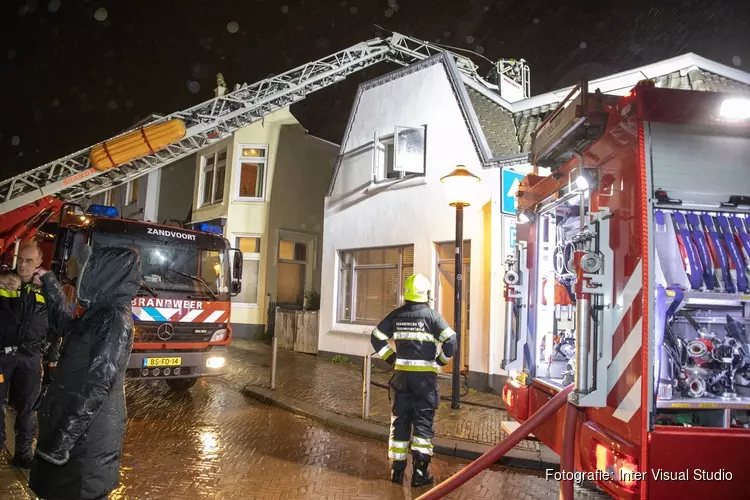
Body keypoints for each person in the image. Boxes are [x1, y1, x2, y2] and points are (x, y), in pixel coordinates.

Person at [29, 245, 141, 500]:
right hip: (75, 431)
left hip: (87, 439)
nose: (83, 276)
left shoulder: (114, 318)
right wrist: (48, 282)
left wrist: (62, 439)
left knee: (79, 492)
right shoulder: (98, 313)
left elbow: (98, 384)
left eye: (90, 269)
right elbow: (65, 327)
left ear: (104, 274)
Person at [370, 273, 457, 487]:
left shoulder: (397, 315)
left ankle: (396, 472)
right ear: (426, 294)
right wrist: (439, 361)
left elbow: (376, 336)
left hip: (401, 381)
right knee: (422, 425)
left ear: (406, 293)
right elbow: (451, 341)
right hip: (424, 383)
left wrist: (392, 358)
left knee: (400, 423)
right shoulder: (432, 317)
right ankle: (420, 473)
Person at [0, 242, 59, 468]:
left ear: (38, 264)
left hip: (31, 356)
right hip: (2, 355)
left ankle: (23, 453)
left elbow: (55, 326)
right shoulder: (6, 281)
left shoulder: (45, 289)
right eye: (20, 260)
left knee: (28, 407)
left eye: (28, 261)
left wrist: (52, 355)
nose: (23, 265)